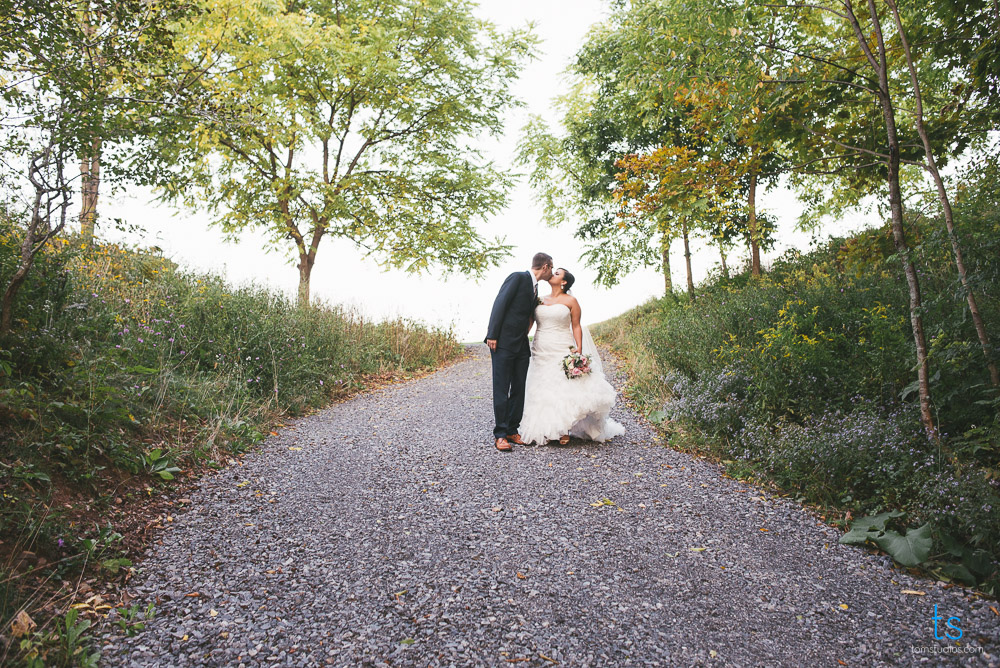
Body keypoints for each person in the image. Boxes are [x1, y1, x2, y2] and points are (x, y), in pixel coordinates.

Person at [518, 268, 625, 445]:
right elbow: (529, 323)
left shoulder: (571, 301)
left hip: (562, 346)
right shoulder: (539, 299)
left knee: (562, 386)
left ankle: (563, 429)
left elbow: (576, 326)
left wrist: (579, 348)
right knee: (542, 385)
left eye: (557, 273)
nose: (553, 273)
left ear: (564, 282)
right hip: (541, 347)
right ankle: (544, 428)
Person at [485, 252, 553, 451]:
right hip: (502, 343)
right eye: (552, 267)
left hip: (521, 345)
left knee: (518, 388)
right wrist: (492, 334)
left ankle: (513, 430)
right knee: (501, 388)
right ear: (546, 266)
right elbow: (500, 303)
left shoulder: (535, 287)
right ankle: (500, 435)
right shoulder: (518, 277)